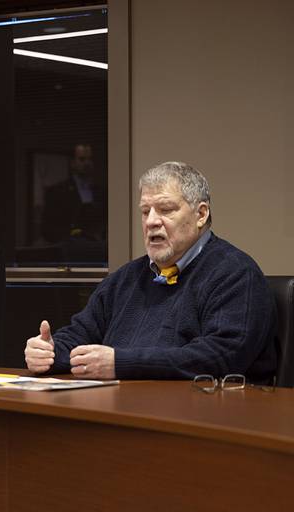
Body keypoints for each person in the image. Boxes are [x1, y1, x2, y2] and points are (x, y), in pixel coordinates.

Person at [25, 161, 277, 382]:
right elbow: (79, 335)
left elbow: (221, 356)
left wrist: (121, 364)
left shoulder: (235, 273)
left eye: (165, 209)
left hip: (204, 418)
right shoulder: (125, 278)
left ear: (201, 214)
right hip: (122, 409)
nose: (151, 221)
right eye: (145, 211)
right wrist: (50, 352)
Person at [40, 143, 106, 263]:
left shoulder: (100, 191)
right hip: (68, 254)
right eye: (81, 159)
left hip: (97, 252)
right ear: (72, 162)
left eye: (89, 159)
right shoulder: (57, 191)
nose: (86, 163)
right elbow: (47, 229)